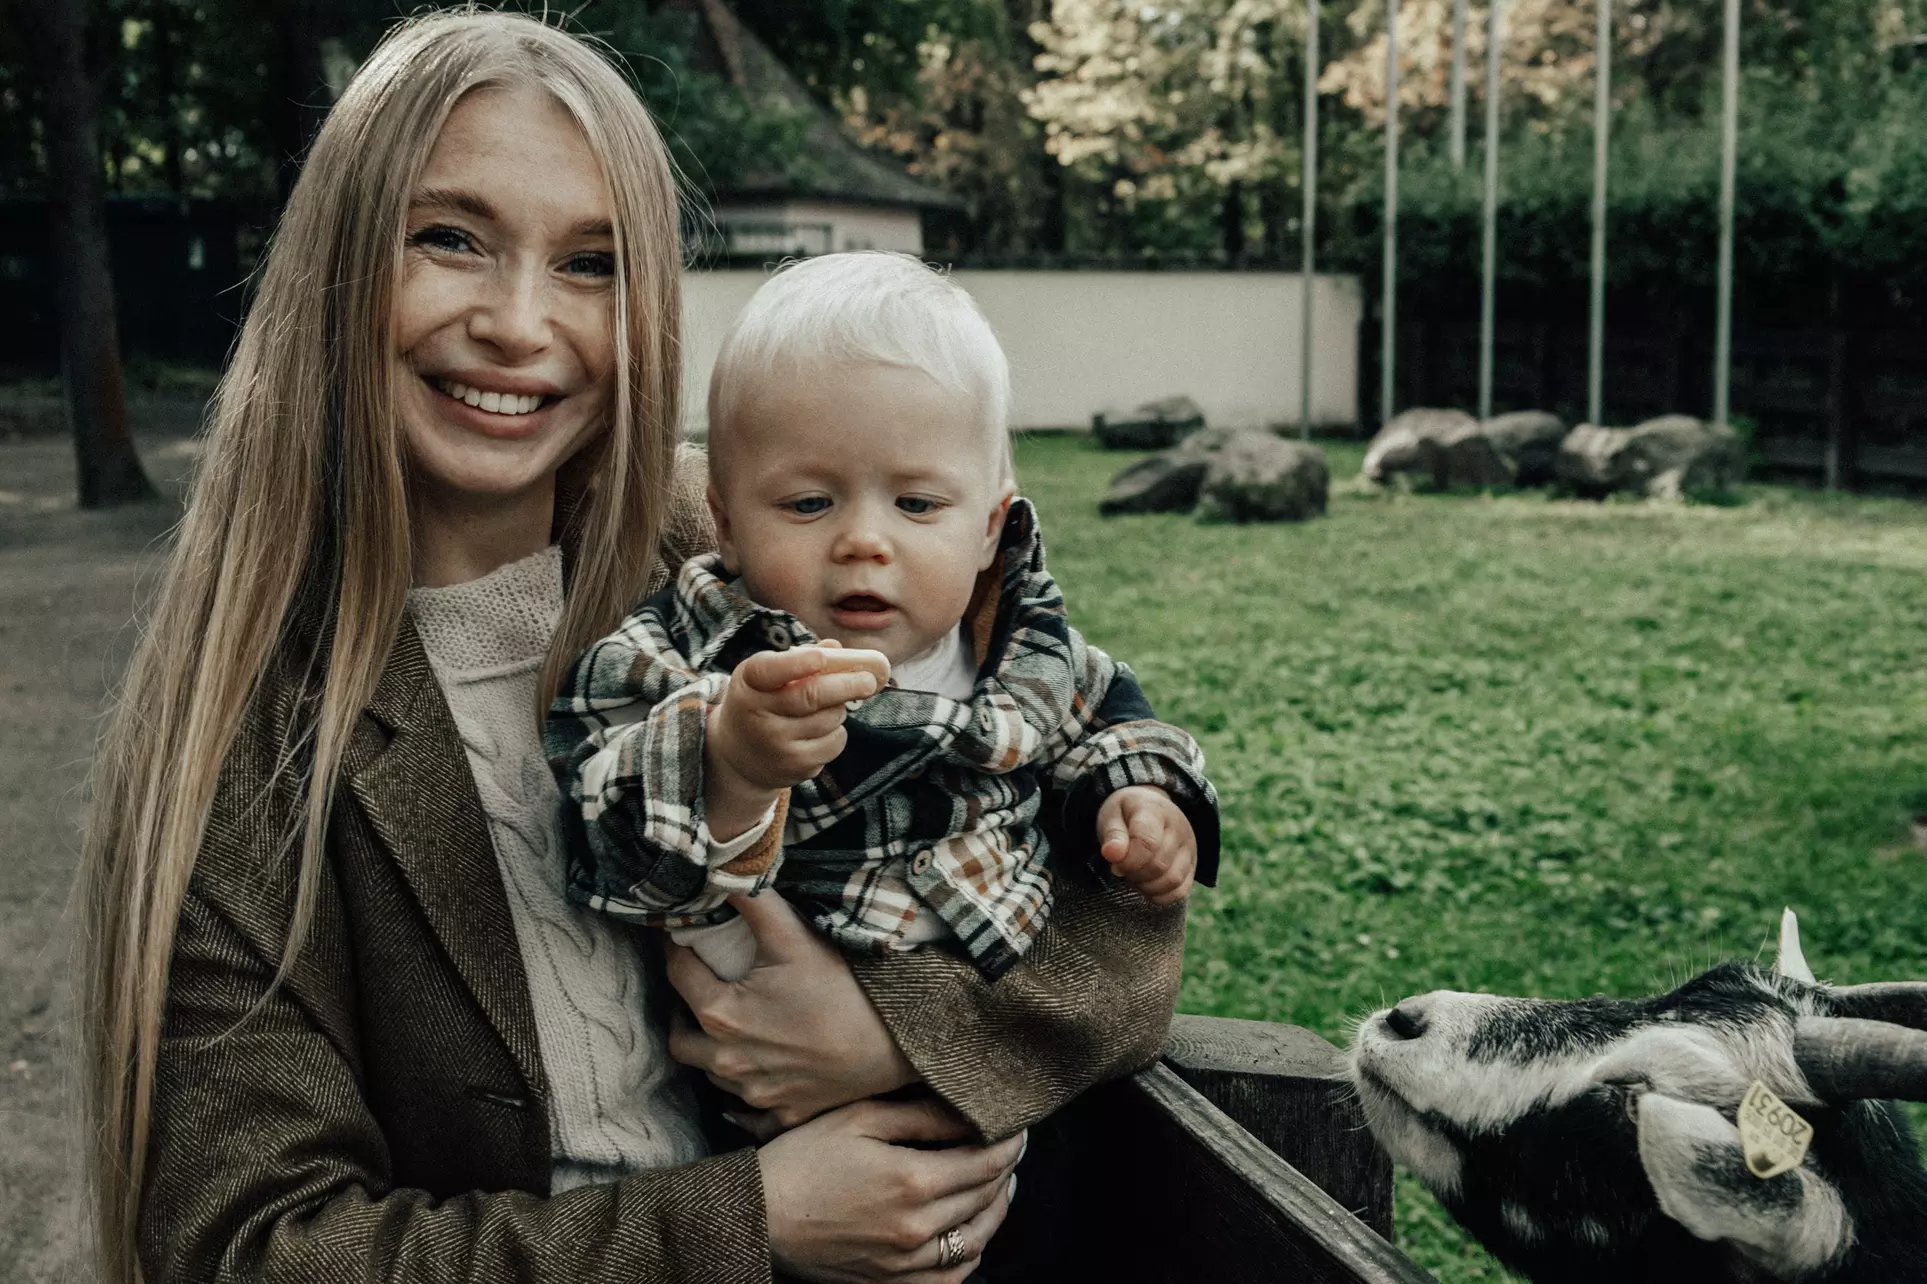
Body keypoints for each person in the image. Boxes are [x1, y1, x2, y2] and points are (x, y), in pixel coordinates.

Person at [73, 13, 1189, 1284]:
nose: (515, 321)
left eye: (591, 262)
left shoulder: (761, 547)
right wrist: (747, 1220)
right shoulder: (248, 726)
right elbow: (250, 1249)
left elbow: (1126, 908)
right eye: (450, 238)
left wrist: (896, 1035)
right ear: (339, 262)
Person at [548, 252, 1220, 988]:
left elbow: (1114, 727)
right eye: (808, 503)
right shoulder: (681, 651)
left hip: (982, 1016)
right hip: (761, 1032)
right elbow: (599, 835)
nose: (864, 541)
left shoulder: (1024, 653)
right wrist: (728, 762)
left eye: (917, 505)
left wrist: (1140, 796)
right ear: (727, 524)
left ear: (990, 528)